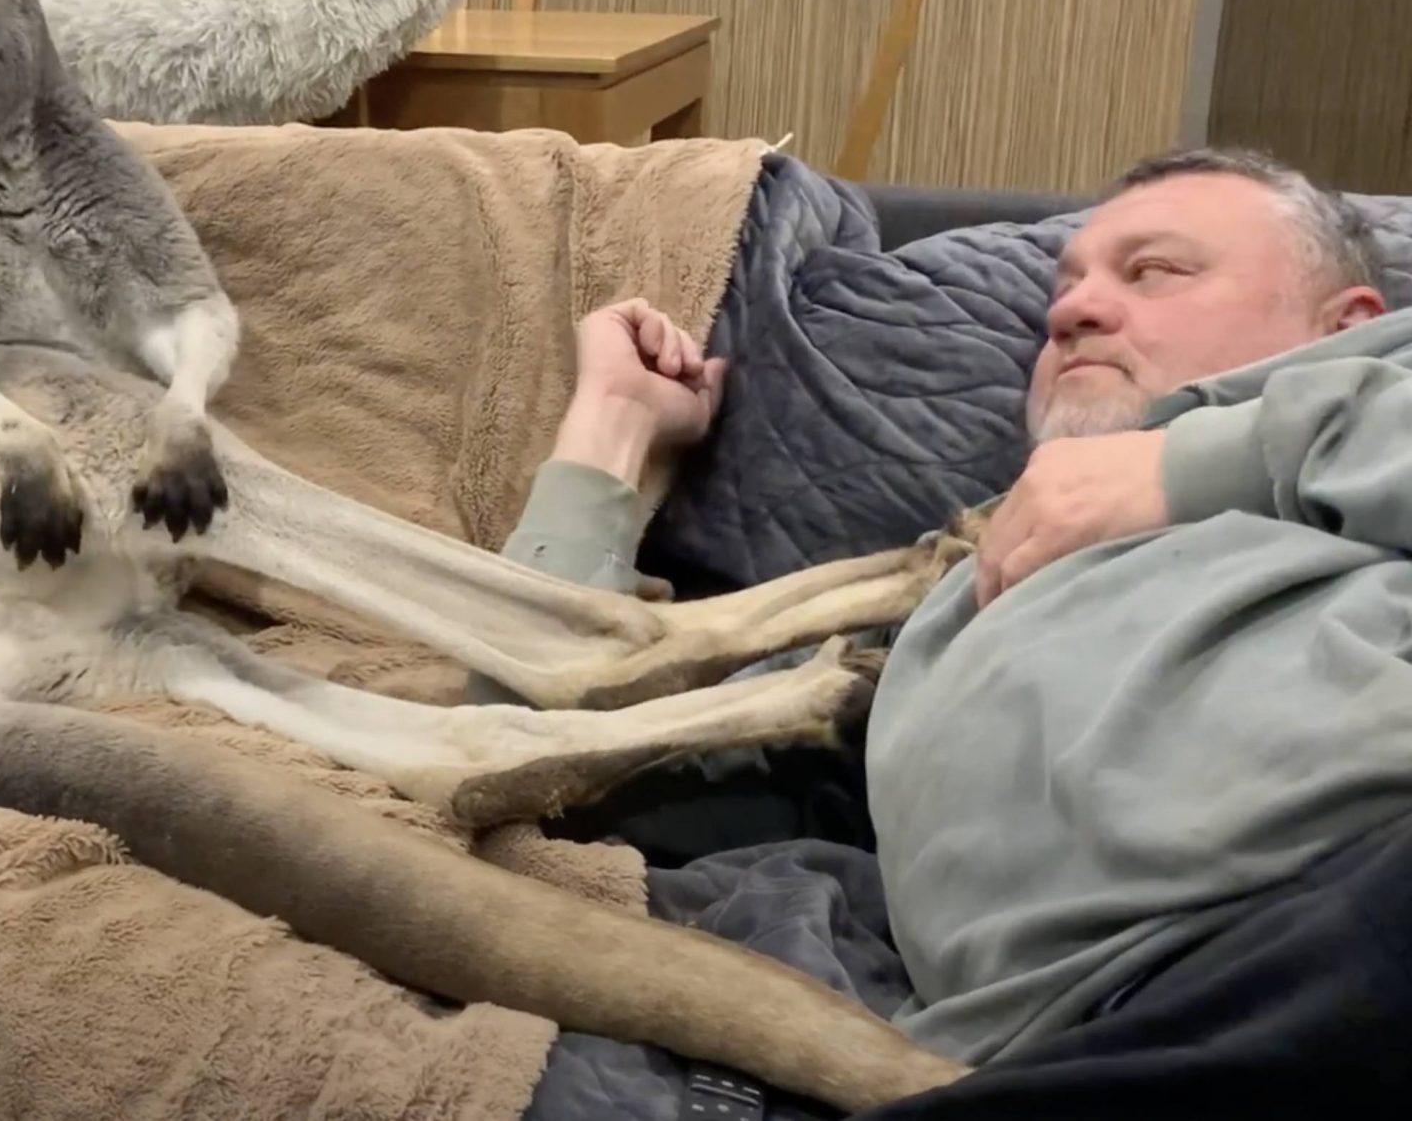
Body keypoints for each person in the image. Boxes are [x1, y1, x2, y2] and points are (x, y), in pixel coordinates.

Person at [498, 148, 1412, 1116]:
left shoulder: (1375, 395)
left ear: (1345, 325)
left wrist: (1199, 464)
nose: (1071, 312)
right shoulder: (932, 600)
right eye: (1067, 287)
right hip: (1113, 1040)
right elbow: (536, 761)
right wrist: (611, 433)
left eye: (1154, 272)